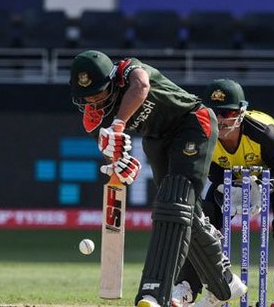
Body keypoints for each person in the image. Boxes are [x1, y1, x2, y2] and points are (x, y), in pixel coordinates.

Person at [69, 50, 247, 307]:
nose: (94, 103)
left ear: (111, 80)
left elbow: (141, 86)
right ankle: (225, 283)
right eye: (87, 98)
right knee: (179, 208)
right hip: (157, 139)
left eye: (98, 94)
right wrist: (119, 164)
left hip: (192, 123)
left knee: (174, 204)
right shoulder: (93, 117)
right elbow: (110, 151)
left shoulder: (128, 71)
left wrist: (118, 124)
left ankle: (154, 293)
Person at [172, 78, 274, 307]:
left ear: (241, 111)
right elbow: (211, 168)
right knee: (201, 217)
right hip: (233, 175)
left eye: (228, 113)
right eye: (215, 113)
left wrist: (265, 188)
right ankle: (188, 287)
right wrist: (225, 186)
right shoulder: (201, 132)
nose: (221, 120)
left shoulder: (264, 131)